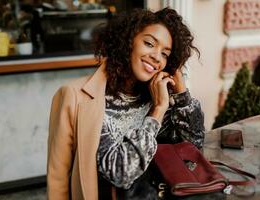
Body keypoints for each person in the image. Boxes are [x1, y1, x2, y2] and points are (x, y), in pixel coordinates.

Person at [47, 7, 205, 200]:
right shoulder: (74, 95)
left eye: (165, 54)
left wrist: (181, 94)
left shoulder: (159, 96)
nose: (156, 56)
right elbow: (60, 177)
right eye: (149, 43)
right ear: (128, 42)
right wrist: (156, 113)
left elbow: (193, 147)